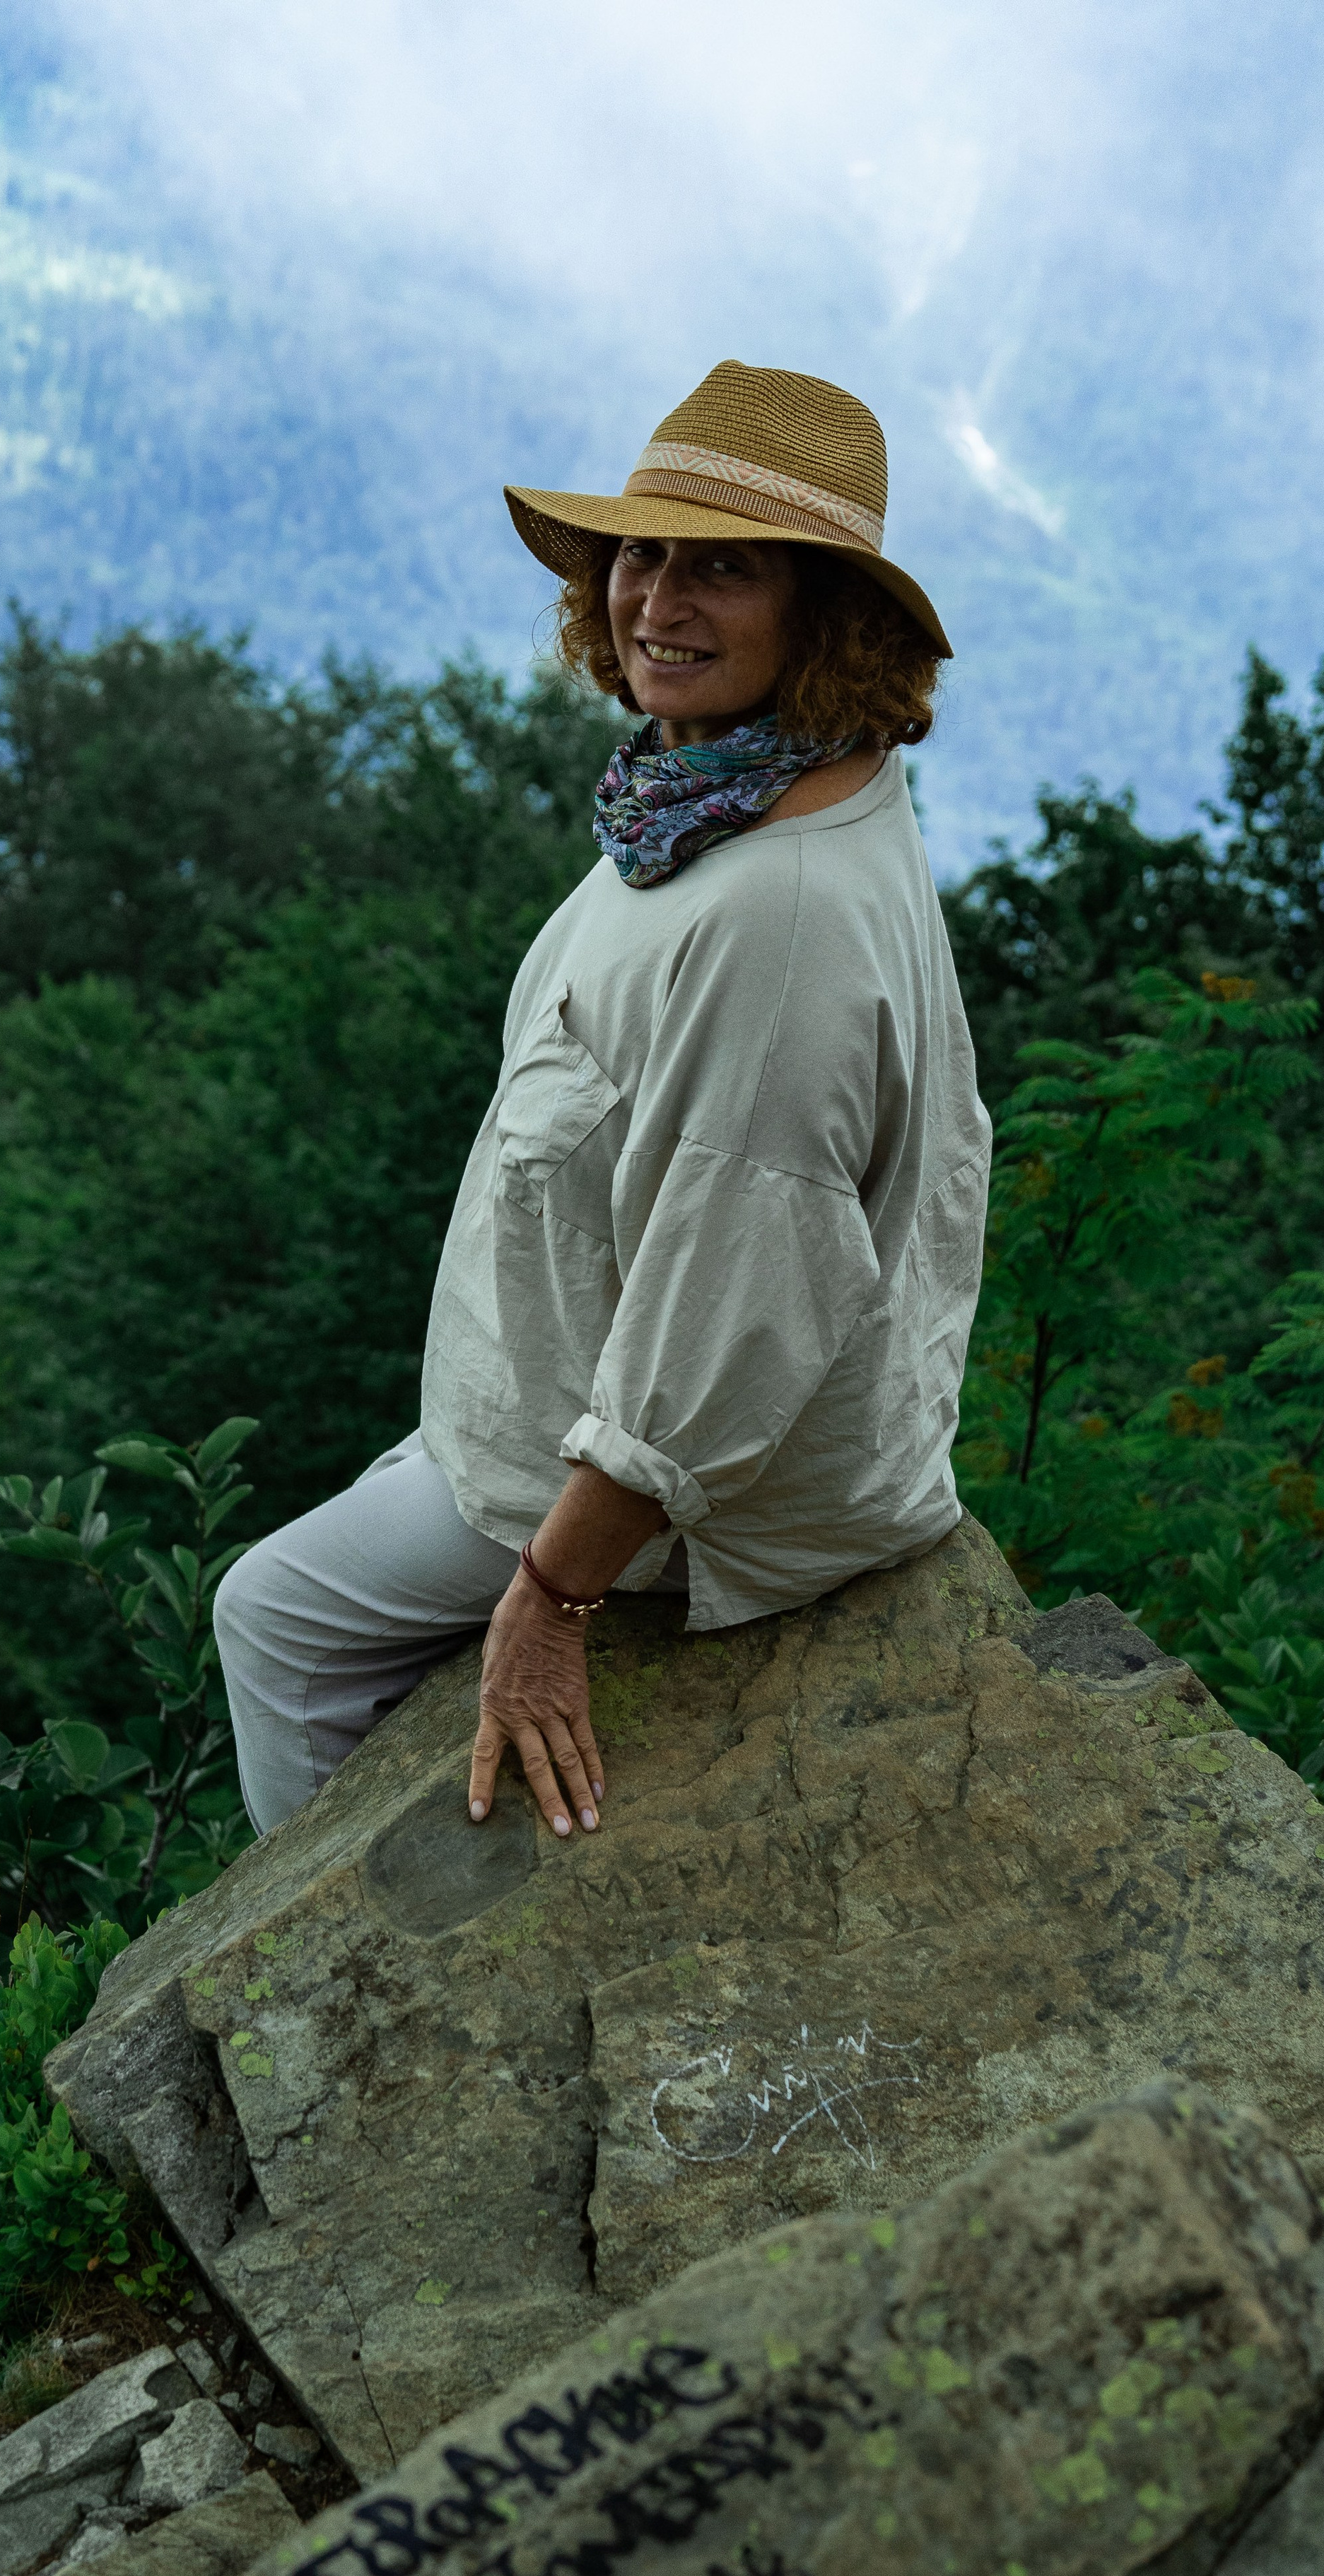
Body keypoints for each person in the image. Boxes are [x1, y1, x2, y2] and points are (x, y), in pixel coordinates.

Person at [213, 360, 990, 1847]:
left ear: (822, 618)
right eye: (641, 552)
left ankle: (341, 1986)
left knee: (277, 1622)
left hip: (712, 1489)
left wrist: (550, 1596)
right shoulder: (716, 801)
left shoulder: (780, 917)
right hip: (567, 1400)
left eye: (724, 568)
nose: (658, 602)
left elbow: (735, 1288)